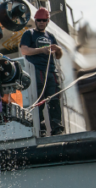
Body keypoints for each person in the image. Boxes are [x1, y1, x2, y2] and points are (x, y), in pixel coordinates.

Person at [20, 8, 64, 136]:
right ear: (35, 20)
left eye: (44, 20)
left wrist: (58, 49)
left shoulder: (51, 36)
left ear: (47, 21)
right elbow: (25, 51)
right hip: (36, 70)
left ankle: (57, 128)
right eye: (39, 20)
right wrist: (42, 50)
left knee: (54, 100)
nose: (41, 22)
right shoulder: (29, 34)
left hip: (51, 71)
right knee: (39, 100)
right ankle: (41, 129)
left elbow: (58, 56)